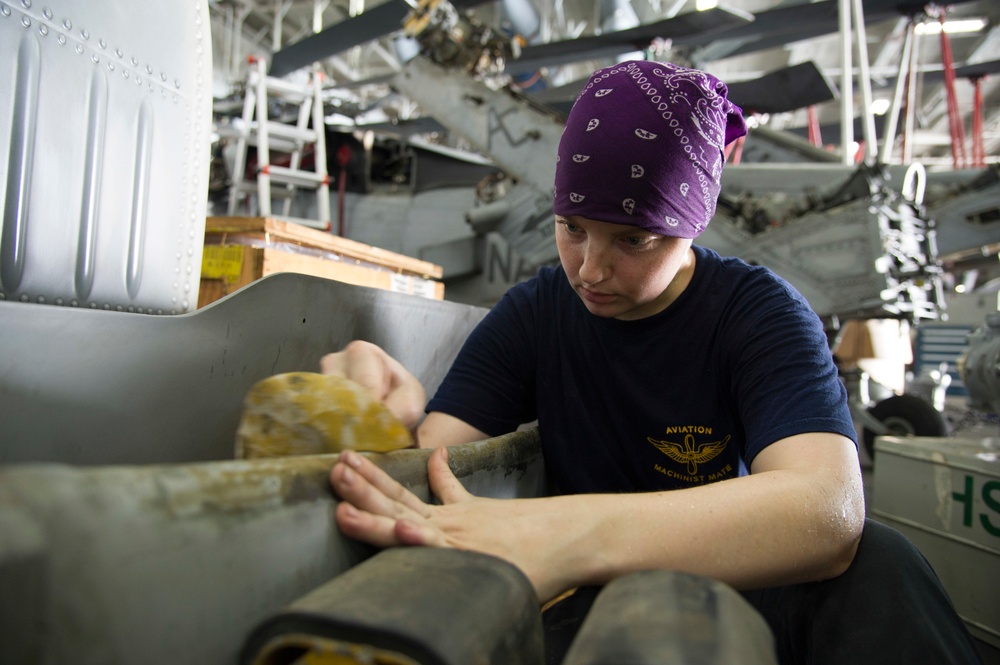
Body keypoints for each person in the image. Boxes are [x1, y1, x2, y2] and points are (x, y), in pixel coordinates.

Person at [321, 60, 982, 664]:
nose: (589, 268)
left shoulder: (757, 314)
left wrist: (566, 534)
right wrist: (387, 419)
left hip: (740, 587)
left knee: (884, 564)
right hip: (590, 600)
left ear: (692, 224)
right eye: (572, 226)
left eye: (632, 239)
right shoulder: (534, 316)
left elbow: (826, 510)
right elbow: (434, 462)